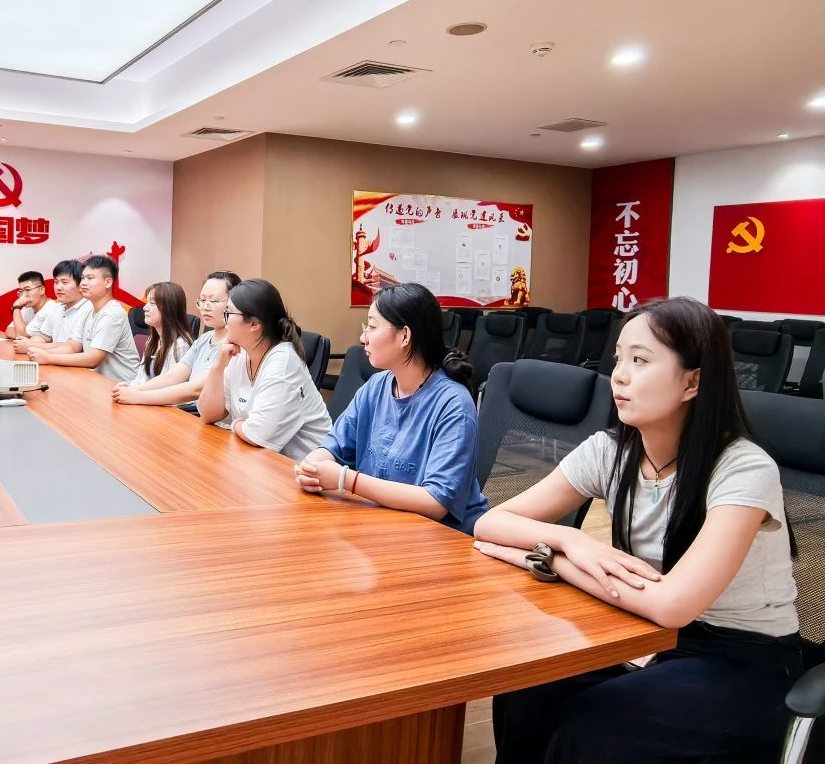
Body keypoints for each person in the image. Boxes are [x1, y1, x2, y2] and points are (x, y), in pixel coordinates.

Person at [474, 296, 801, 764]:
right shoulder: (611, 451)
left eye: (640, 360)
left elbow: (673, 605)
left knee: (589, 731)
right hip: (649, 637)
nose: (620, 376)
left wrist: (555, 562)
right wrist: (571, 540)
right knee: (526, 687)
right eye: (619, 358)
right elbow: (491, 523)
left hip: (745, 660)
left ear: (692, 382)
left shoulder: (744, 469)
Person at [293, 284, 486, 534]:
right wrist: (313, 466)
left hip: (441, 536)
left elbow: (436, 502)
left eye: (372, 327)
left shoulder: (454, 403)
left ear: (404, 336)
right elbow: (335, 446)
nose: (363, 337)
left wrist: (345, 479)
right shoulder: (376, 386)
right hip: (384, 524)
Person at [196, 278, 331, 461]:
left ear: (254, 324)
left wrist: (236, 424)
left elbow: (257, 436)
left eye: (228, 313)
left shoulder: (283, 363)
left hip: (303, 467)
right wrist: (218, 367)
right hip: (258, 460)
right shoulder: (240, 353)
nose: (224, 321)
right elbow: (208, 414)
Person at [112, 270, 240, 411]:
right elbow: (174, 376)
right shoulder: (203, 339)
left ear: (233, 303)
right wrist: (136, 389)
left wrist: (137, 396)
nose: (205, 307)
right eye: (202, 300)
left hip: (211, 420)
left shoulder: (235, 344)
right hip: (200, 417)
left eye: (213, 301)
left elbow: (196, 389)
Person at [28, 255, 139, 381]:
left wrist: (48, 357)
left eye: (90, 278)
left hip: (120, 384)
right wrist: (38, 351)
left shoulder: (112, 313)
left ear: (108, 282)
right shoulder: (89, 310)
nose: (83, 283)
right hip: (95, 380)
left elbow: (92, 359)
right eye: (82, 278)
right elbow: (72, 346)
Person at [14, 259, 90, 354]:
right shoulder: (57, 308)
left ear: (81, 285)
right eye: (56, 282)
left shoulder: (89, 309)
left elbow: (73, 347)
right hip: (53, 360)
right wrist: (26, 344)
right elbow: (43, 337)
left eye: (64, 282)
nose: (58, 287)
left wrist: (31, 346)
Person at [130, 282, 192, 384]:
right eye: (147, 302)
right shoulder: (153, 339)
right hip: (142, 393)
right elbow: (141, 378)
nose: (145, 308)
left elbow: (169, 387)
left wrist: (136, 390)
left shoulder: (180, 346)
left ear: (169, 308)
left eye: (152, 303)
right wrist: (130, 386)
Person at [4, 270, 58, 339]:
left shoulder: (50, 309)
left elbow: (21, 336)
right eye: (21, 291)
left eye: (28, 290)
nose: (23, 295)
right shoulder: (28, 308)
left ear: (42, 290)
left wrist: (16, 306)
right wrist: (22, 335)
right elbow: (9, 330)